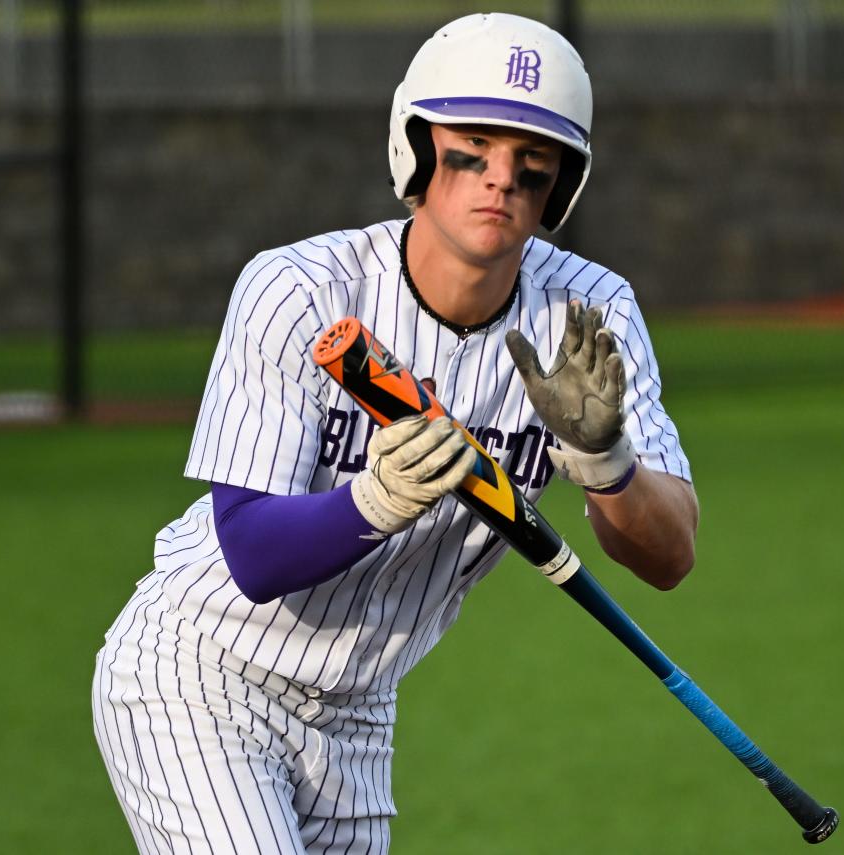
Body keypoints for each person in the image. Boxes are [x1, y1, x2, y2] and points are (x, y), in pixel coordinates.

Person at [92, 12, 698, 854]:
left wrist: (607, 461)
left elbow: (668, 556)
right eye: (472, 149)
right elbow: (254, 556)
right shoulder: (300, 290)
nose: (500, 180)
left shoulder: (592, 316)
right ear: (414, 149)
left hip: (360, 711)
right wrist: (375, 499)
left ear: (562, 187)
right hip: (202, 676)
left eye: (532, 162)